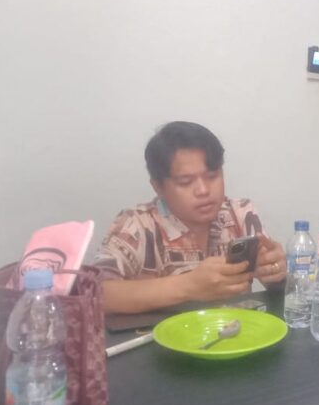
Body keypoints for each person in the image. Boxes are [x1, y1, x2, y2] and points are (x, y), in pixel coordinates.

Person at [95, 121, 287, 313]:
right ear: (158, 187)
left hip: (235, 329)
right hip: (163, 332)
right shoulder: (137, 225)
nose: (203, 191)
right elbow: (96, 294)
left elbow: (281, 289)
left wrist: (276, 272)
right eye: (186, 182)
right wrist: (187, 286)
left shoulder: (240, 213)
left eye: (212, 176)